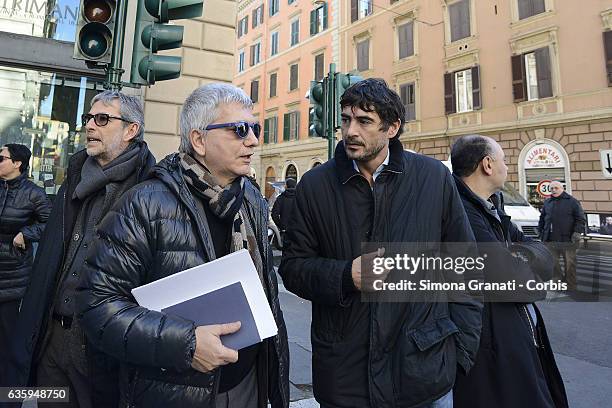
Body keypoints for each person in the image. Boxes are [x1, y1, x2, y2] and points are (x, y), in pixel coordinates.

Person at [75, 84, 289, 408]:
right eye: (240, 129)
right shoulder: (145, 203)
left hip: (248, 385)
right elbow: (96, 306)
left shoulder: (253, 201)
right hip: (173, 392)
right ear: (199, 140)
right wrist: (185, 345)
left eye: (255, 128)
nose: (253, 140)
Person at [279, 78, 482, 408]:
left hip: (425, 373)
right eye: (346, 119)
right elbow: (293, 267)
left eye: (364, 121)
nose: (350, 131)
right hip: (346, 376)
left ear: (392, 127)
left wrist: (459, 354)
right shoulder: (315, 185)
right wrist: (346, 276)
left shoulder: (433, 178)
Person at [4, 91, 156, 408]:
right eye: (88, 118)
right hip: (53, 340)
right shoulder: (74, 176)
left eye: (102, 119)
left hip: (103, 348)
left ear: (131, 130)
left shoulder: (150, 187)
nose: (90, 126)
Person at [450, 134, 568, 408]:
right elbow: (515, 280)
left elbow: (541, 254)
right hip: (494, 355)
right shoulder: (464, 215)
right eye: (504, 160)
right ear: (487, 165)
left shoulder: (492, 208)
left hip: (511, 341)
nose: (507, 166)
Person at [0, 144, 51, 371]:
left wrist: (26, 234)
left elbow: (50, 223)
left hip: (11, 277)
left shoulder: (33, 193)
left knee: (7, 339)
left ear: (17, 163)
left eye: (1, 158)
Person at [538, 181, 585, 290]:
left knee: (570, 263)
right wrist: (540, 232)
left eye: (556, 188)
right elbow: (542, 218)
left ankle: (571, 284)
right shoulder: (547, 202)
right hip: (550, 239)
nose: (553, 190)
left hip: (568, 239)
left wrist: (577, 232)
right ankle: (558, 281)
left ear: (562, 188)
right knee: (553, 263)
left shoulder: (572, 202)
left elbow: (580, 219)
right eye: (551, 188)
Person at [271, 178, 296, 242]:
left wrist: (281, 225)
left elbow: (274, 214)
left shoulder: (280, 198)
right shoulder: (300, 197)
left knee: (285, 249)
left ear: (286, 186)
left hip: (285, 230)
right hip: (297, 229)